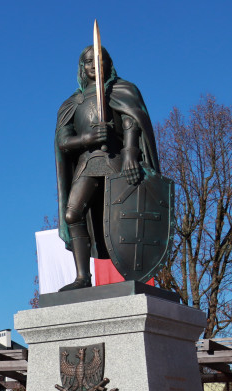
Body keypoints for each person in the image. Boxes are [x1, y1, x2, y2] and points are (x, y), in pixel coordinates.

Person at [54, 44, 160, 290]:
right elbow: (62, 140)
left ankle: (133, 274)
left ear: (107, 64)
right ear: (82, 67)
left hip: (116, 161)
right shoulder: (73, 103)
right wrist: (87, 139)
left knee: (123, 216)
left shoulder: (121, 90)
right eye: (89, 61)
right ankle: (83, 277)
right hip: (88, 163)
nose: (94, 65)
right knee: (73, 214)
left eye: (98, 60)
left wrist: (131, 153)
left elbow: (131, 121)